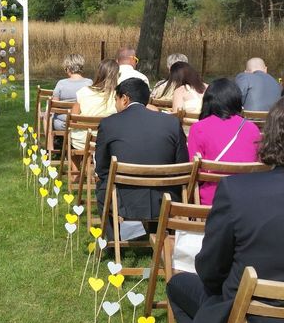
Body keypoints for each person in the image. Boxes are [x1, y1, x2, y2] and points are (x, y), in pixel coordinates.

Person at [167, 97, 284, 323]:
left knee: (177, 285)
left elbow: (210, 270)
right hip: (254, 316)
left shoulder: (238, 191)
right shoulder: (239, 191)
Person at [95, 78, 188, 236]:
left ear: (125, 99)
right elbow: (182, 164)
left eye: (115, 99)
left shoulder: (108, 124)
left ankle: (113, 241)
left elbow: (102, 168)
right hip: (166, 198)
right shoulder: (171, 123)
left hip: (123, 198)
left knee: (102, 186)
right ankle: (166, 237)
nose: (115, 104)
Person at [187, 79, 262, 205]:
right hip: (248, 199)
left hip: (212, 201)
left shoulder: (198, 128)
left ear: (208, 101)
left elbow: (194, 172)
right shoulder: (252, 129)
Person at [69, 59, 119, 149]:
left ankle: (76, 163)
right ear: (116, 76)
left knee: (73, 137)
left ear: (98, 74)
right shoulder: (118, 97)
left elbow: (73, 119)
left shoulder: (83, 92)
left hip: (82, 142)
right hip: (108, 142)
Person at [51, 54, 93, 131]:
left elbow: (54, 106)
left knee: (48, 116)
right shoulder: (89, 83)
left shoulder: (61, 84)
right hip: (82, 122)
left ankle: (49, 142)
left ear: (68, 68)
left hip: (63, 123)